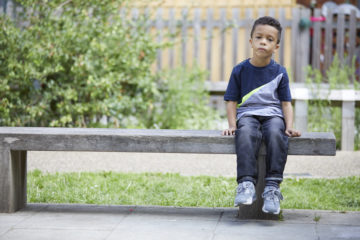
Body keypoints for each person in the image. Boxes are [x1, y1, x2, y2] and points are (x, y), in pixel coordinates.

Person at [222, 16, 301, 215]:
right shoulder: (240, 70)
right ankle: (246, 184)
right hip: (247, 114)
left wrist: (289, 125)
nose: (263, 42)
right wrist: (232, 125)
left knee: (276, 132)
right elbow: (231, 101)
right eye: (259, 37)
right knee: (246, 131)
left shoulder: (280, 72)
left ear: (276, 46)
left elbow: (285, 103)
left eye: (269, 39)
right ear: (251, 42)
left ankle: (272, 188)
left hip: (273, 115)